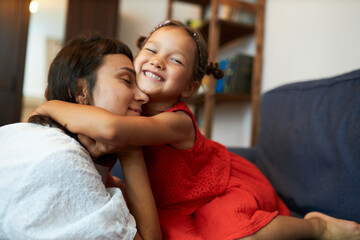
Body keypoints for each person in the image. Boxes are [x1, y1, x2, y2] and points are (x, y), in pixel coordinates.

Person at [30, 20, 360, 239]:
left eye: (175, 61)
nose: (158, 61)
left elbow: (113, 131)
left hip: (220, 189)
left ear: (188, 87)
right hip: (176, 205)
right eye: (152, 50)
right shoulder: (131, 105)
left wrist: (48, 107)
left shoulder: (176, 121)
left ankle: (317, 227)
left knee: (231, 232)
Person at [0, 35, 161, 240]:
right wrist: (131, 149)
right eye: (127, 80)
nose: (143, 96)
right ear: (80, 91)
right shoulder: (62, 158)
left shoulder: (46, 142)